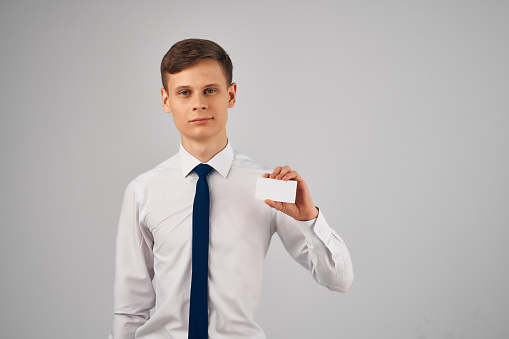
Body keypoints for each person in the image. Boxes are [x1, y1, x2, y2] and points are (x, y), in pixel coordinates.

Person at [109, 38, 354, 339]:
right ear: (166, 100)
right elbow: (130, 309)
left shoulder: (268, 186)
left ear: (231, 95)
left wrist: (309, 219)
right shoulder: (143, 191)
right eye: (184, 92)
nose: (198, 103)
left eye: (210, 90)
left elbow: (339, 280)